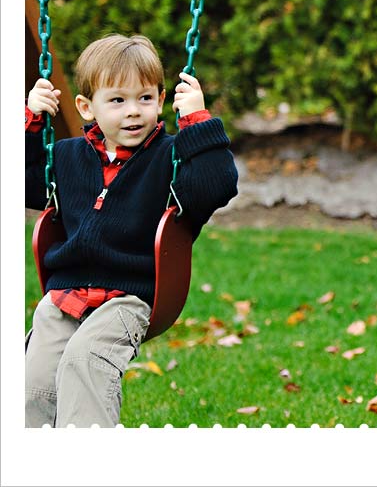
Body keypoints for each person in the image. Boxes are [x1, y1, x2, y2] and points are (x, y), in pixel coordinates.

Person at [24, 34, 239, 427]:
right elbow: (23, 182)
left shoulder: (170, 157)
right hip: (64, 295)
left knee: (84, 360)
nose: (133, 112)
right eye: (117, 100)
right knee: (34, 380)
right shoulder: (68, 156)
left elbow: (217, 185)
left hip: (129, 296)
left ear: (161, 100)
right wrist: (31, 125)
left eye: (144, 98)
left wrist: (197, 121)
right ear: (87, 107)